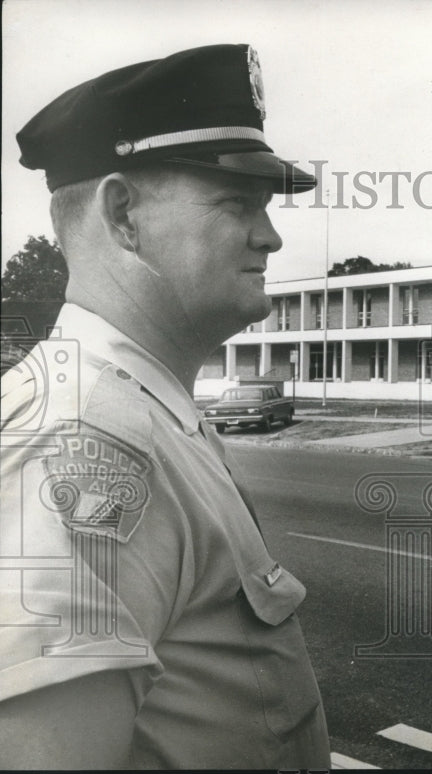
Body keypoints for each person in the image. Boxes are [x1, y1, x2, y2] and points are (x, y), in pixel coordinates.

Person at [0, 44, 329, 768]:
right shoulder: (82, 434)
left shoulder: (139, 410)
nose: (270, 235)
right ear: (123, 214)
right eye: (236, 201)